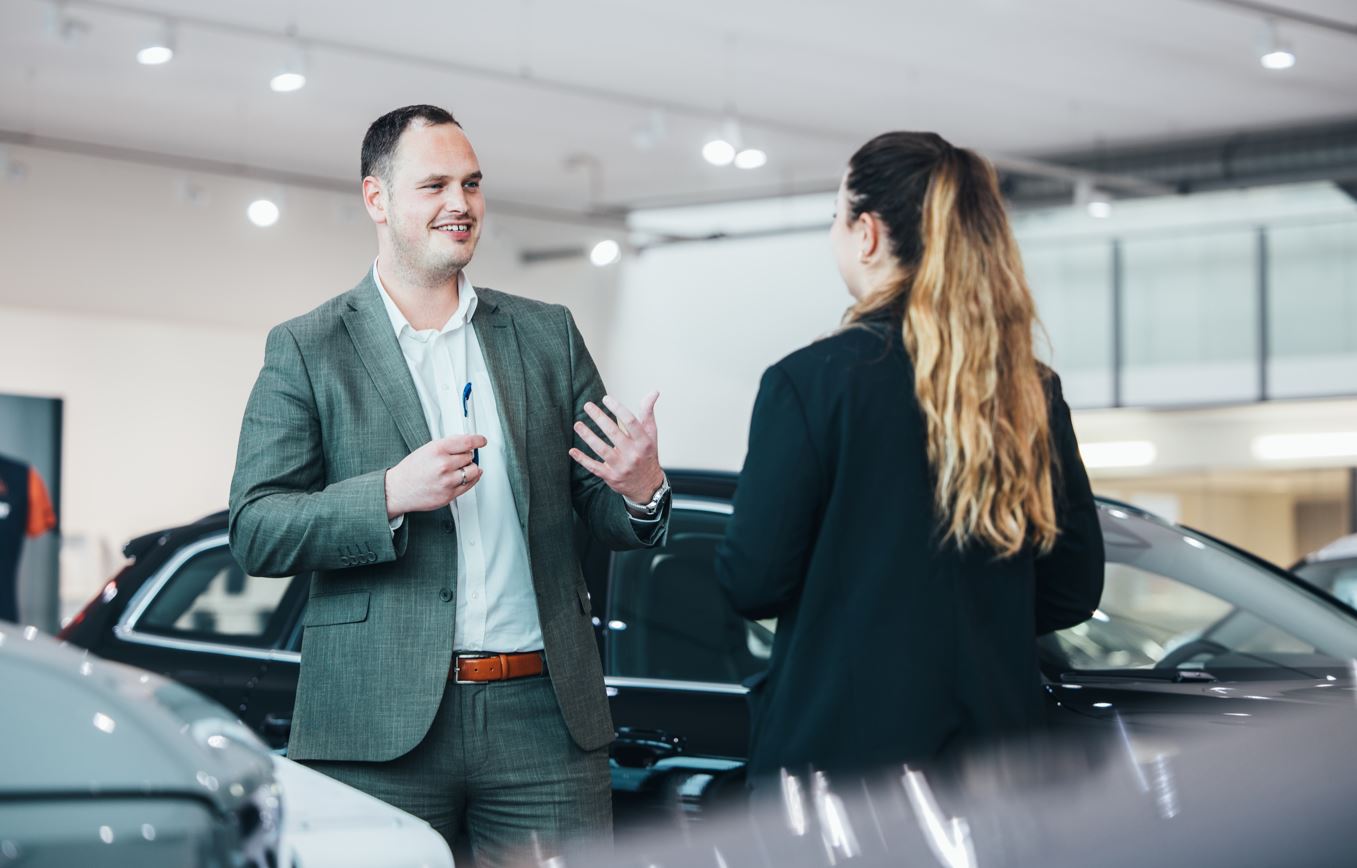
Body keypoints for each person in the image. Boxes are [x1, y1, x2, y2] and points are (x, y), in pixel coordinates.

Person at [228, 105, 671, 865]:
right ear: (376, 198)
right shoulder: (306, 348)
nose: (460, 204)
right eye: (433, 185)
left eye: (470, 183)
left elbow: (600, 501)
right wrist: (388, 494)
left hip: (543, 721)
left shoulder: (547, 333)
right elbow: (257, 528)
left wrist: (640, 488)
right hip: (373, 725)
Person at [714, 131, 1105, 788]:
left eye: (835, 217)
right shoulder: (1025, 388)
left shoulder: (809, 383)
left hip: (842, 769)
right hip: (998, 768)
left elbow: (755, 583)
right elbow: (1072, 587)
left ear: (866, 233)